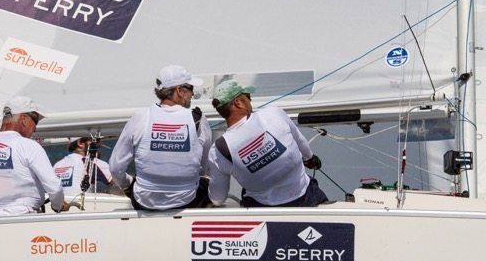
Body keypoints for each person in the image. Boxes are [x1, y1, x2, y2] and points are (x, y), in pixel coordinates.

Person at [207, 81, 328, 207]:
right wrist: (310, 158)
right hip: (307, 198)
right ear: (238, 103)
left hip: (264, 212)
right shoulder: (273, 114)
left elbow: (217, 199)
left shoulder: (218, 150)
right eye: (247, 96)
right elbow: (300, 140)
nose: (250, 99)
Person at [108, 65, 211, 210]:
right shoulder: (198, 119)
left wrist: (128, 186)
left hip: (144, 201)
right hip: (188, 200)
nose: (193, 94)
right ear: (179, 91)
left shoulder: (140, 117)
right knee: (206, 183)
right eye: (191, 89)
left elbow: (115, 167)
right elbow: (202, 167)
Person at [0, 96, 71, 217]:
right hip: (23, 217)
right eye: (35, 121)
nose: (35, 128)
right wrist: (58, 205)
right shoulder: (27, 145)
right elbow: (54, 186)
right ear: (24, 119)